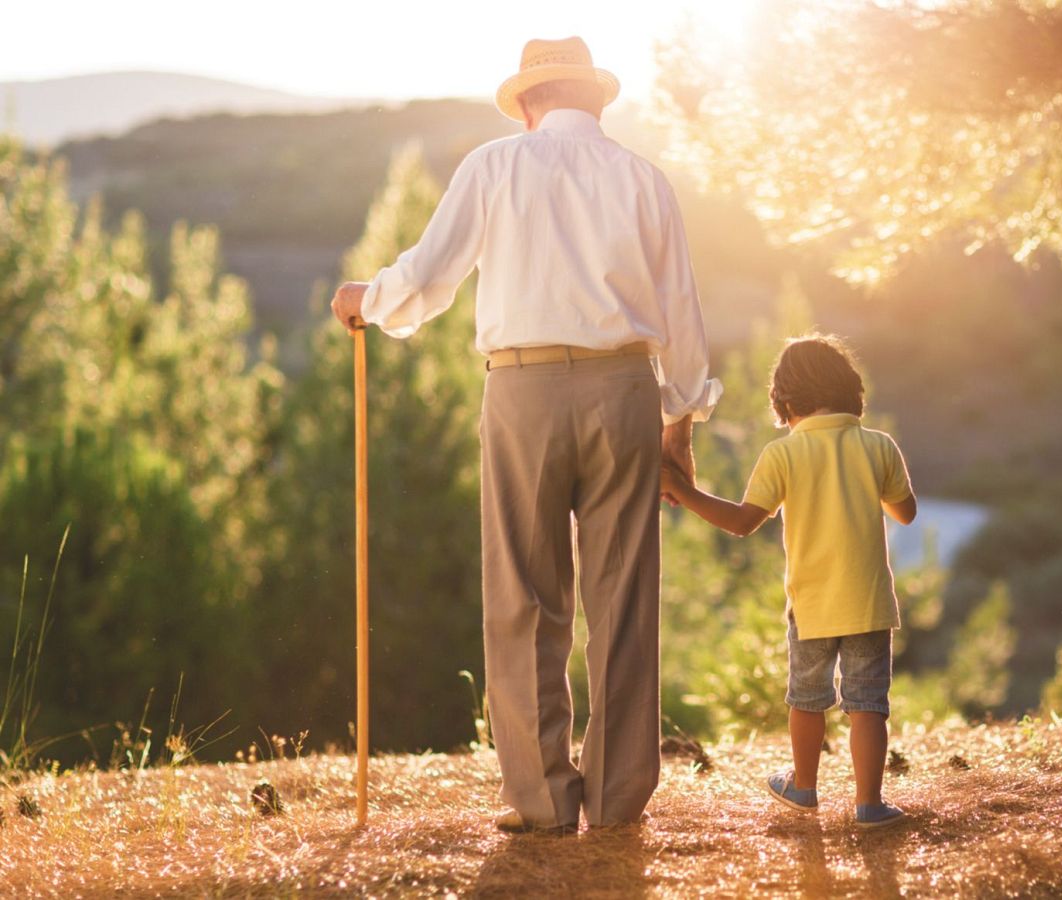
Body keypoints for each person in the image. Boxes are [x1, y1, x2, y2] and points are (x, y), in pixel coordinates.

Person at [329, 36, 721, 833]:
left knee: (524, 594)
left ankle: (543, 800)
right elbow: (682, 313)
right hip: (626, 392)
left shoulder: (494, 166)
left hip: (522, 389)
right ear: (596, 99)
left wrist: (367, 298)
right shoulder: (646, 180)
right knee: (623, 597)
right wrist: (680, 424)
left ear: (530, 102)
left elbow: (431, 279)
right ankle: (615, 802)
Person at [659, 335, 916, 829]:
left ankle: (803, 787)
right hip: (868, 602)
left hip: (814, 604)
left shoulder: (783, 454)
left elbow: (741, 522)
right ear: (850, 393)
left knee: (807, 698)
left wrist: (683, 491)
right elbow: (905, 513)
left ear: (785, 402)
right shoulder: (879, 445)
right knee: (868, 704)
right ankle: (869, 804)